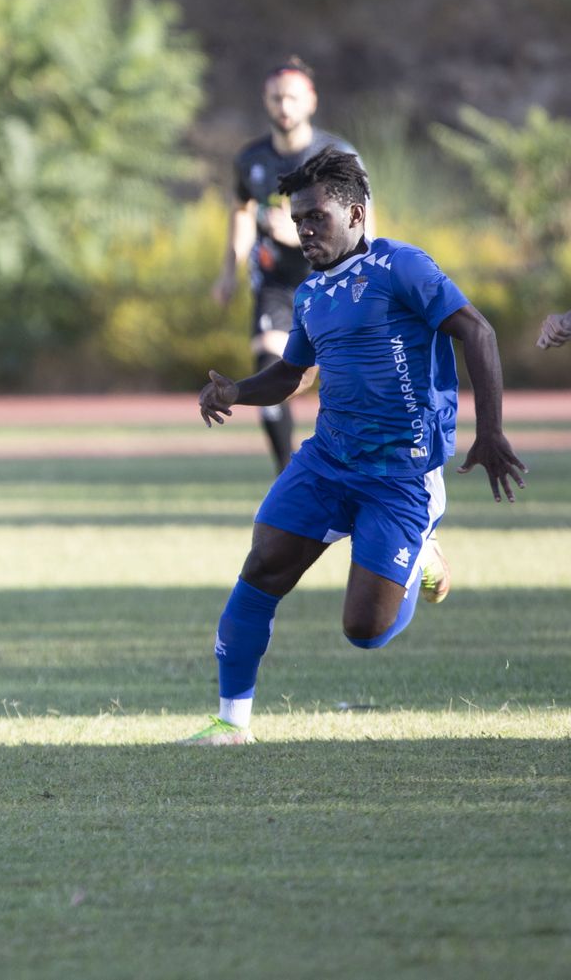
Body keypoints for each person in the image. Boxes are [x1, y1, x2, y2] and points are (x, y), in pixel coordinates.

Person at [186, 149, 525, 745]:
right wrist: (237, 390)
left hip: (400, 474)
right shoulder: (311, 294)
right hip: (326, 462)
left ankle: (421, 551)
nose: (305, 230)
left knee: (364, 631)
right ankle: (230, 724)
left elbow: (477, 330)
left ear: (357, 213)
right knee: (261, 568)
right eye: (297, 221)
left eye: (316, 216)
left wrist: (490, 431)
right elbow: (293, 373)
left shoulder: (403, 267)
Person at [213, 58, 371, 473]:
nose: (284, 105)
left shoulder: (337, 155)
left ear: (311, 101)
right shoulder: (251, 159)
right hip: (277, 284)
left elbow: (363, 219)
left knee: (346, 381)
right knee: (269, 370)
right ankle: (287, 473)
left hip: (331, 280)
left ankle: (360, 467)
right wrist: (228, 270)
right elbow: (242, 211)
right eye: (276, 98)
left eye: (292, 97)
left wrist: (305, 231)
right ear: (266, 102)